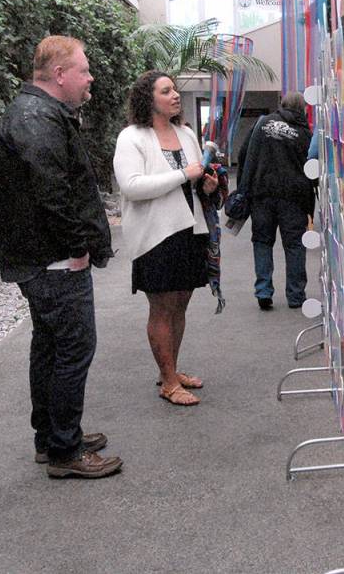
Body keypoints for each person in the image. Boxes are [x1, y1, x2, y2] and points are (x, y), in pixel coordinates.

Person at [0, 35, 122, 479]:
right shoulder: (38, 117)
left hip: (41, 257)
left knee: (50, 345)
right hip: (54, 260)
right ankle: (65, 450)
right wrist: (76, 248)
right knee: (73, 348)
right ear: (60, 74)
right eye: (83, 69)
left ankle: (54, 437)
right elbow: (52, 193)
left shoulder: (34, 113)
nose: (90, 77)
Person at [113, 70, 219, 406]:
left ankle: (169, 371)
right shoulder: (131, 137)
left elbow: (193, 178)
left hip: (190, 229)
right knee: (162, 306)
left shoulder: (185, 134)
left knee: (181, 302)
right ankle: (169, 382)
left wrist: (205, 184)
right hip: (156, 235)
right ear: (149, 99)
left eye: (174, 89)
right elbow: (131, 186)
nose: (175, 95)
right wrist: (182, 175)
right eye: (166, 91)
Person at [237, 91, 315, 310]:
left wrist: (245, 187)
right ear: (302, 109)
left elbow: (244, 154)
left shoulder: (262, 124)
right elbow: (311, 167)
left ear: (282, 105)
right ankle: (296, 295)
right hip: (293, 198)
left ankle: (263, 290)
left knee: (262, 242)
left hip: (262, 196)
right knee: (294, 246)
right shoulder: (304, 133)